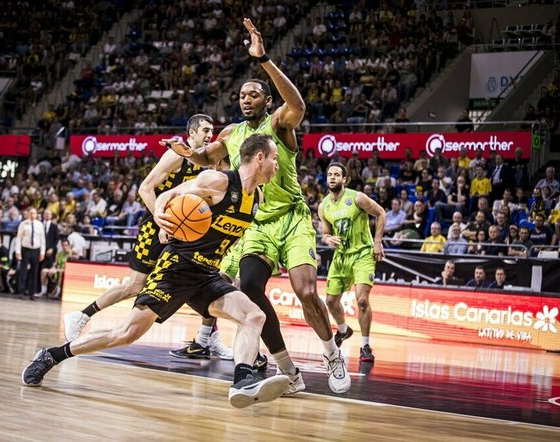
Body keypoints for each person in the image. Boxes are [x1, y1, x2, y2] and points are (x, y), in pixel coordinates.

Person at [22, 133, 291, 408]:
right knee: (127, 333)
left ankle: (242, 382)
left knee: (253, 316)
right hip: (176, 269)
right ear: (259, 158)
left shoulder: (255, 196)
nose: (277, 166)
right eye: (274, 159)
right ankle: (53, 355)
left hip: (206, 275)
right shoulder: (218, 181)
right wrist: (163, 220)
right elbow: (168, 195)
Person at [164, 19, 351, 394]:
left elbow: (297, 103)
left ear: (266, 101)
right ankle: (288, 370)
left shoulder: (279, 124)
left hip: (292, 217)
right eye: (242, 95)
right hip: (256, 223)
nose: (245, 99)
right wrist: (189, 154)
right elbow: (207, 157)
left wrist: (263, 58)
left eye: (253, 95)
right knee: (249, 288)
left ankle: (332, 353)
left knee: (305, 290)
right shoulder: (232, 133)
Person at [63, 114, 233, 361]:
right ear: (192, 132)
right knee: (134, 285)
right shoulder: (176, 155)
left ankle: (208, 336)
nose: (209, 135)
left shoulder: (210, 164)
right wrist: (161, 220)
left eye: (212, 131)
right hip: (156, 225)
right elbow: (145, 187)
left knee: (199, 277)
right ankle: (82, 315)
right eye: (205, 130)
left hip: (183, 230)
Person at [318, 162, 386, 362]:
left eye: (337, 174)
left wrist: (378, 242)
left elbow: (381, 213)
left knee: (362, 300)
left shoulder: (357, 198)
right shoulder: (323, 206)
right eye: (329, 174)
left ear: (344, 179)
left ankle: (365, 346)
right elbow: (325, 233)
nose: (332, 177)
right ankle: (344, 329)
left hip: (362, 254)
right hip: (341, 257)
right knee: (330, 301)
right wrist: (328, 239)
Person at [15, 207, 46, 298]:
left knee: (34, 272)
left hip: (36, 250)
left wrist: (42, 252)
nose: (33, 215)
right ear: (28, 214)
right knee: (23, 271)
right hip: (25, 249)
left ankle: (32, 293)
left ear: (36, 215)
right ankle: (21, 291)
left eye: (34, 213)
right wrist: (18, 251)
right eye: (31, 213)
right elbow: (19, 238)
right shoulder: (23, 224)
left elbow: (42, 239)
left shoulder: (40, 224)